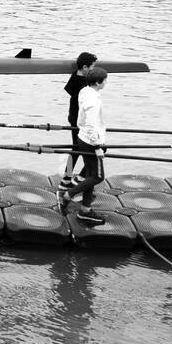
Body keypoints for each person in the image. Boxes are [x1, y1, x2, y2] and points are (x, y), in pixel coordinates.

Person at [59, 67, 108, 225]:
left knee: (90, 176)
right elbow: (92, 124)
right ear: (98, 82)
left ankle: (85, 210)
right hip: (90, 141)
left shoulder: (85, 91)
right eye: (105, 80)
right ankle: (69, 194)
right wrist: (98, 146)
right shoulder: (93, 101)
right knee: (98, 177)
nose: (106, 82)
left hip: (81, 137)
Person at [59, 51, 97, 190]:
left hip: (73, 116)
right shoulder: (84, 85)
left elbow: (68, 89)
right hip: (79, 120)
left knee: (76, 148)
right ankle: (74, 178)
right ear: (85, 67)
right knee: (84, 149)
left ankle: (69, 178)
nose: (94, 69)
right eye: (92, 66)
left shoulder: (75, 75)